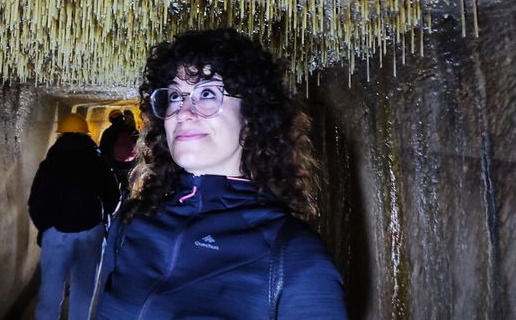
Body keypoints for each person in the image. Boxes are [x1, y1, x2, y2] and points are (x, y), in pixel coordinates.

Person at [91, 28, 348, 319]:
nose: (183, 112)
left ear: (250, 117)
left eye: (208, 94)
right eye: (175, 96)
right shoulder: (133, 223)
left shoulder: (293, 256)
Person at [29, 112, 119, 320]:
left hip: (56, 234)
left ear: (61, 135)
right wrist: (104, 220)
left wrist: (46, 227)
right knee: (83, 292)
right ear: (86, 135)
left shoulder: (50, 163)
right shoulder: (97, 161)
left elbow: (36, 201)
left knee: (50, 292)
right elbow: (113, 195)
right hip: (91, 231)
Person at [99, 109, 138, 197]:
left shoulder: (108, 132)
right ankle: (127, 200)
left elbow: (103, 150)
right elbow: (139, 144)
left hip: (115, 163)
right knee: (128, 185)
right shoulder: (131, 129)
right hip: (130, 164)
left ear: (110, 119)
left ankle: (117, 200)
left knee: (116, 184)